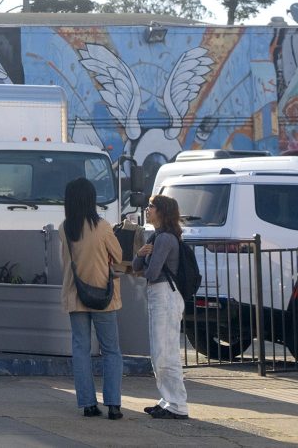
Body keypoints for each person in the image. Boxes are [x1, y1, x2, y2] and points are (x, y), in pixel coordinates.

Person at [60, 177, 123, 420]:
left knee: (81, 349)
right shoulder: (104, 226)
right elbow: (117, 255)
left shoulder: (65, 228)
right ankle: (114, 405)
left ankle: (87, 404)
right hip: (104, 297)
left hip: (76, 296)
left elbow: (64, 261)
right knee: (111, 351)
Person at [133, 194, 190, 420]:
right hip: (160, 295)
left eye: (151, 206)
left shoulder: (165, 239)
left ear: (162, 211)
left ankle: (177, 404)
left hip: (166, 295)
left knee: (166, 353)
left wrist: (144, 263)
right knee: (160, 352)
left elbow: (151, 272)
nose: (147, 210)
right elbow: (137, 265)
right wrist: (140, 254)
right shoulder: (156, 236)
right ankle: (167, 400)